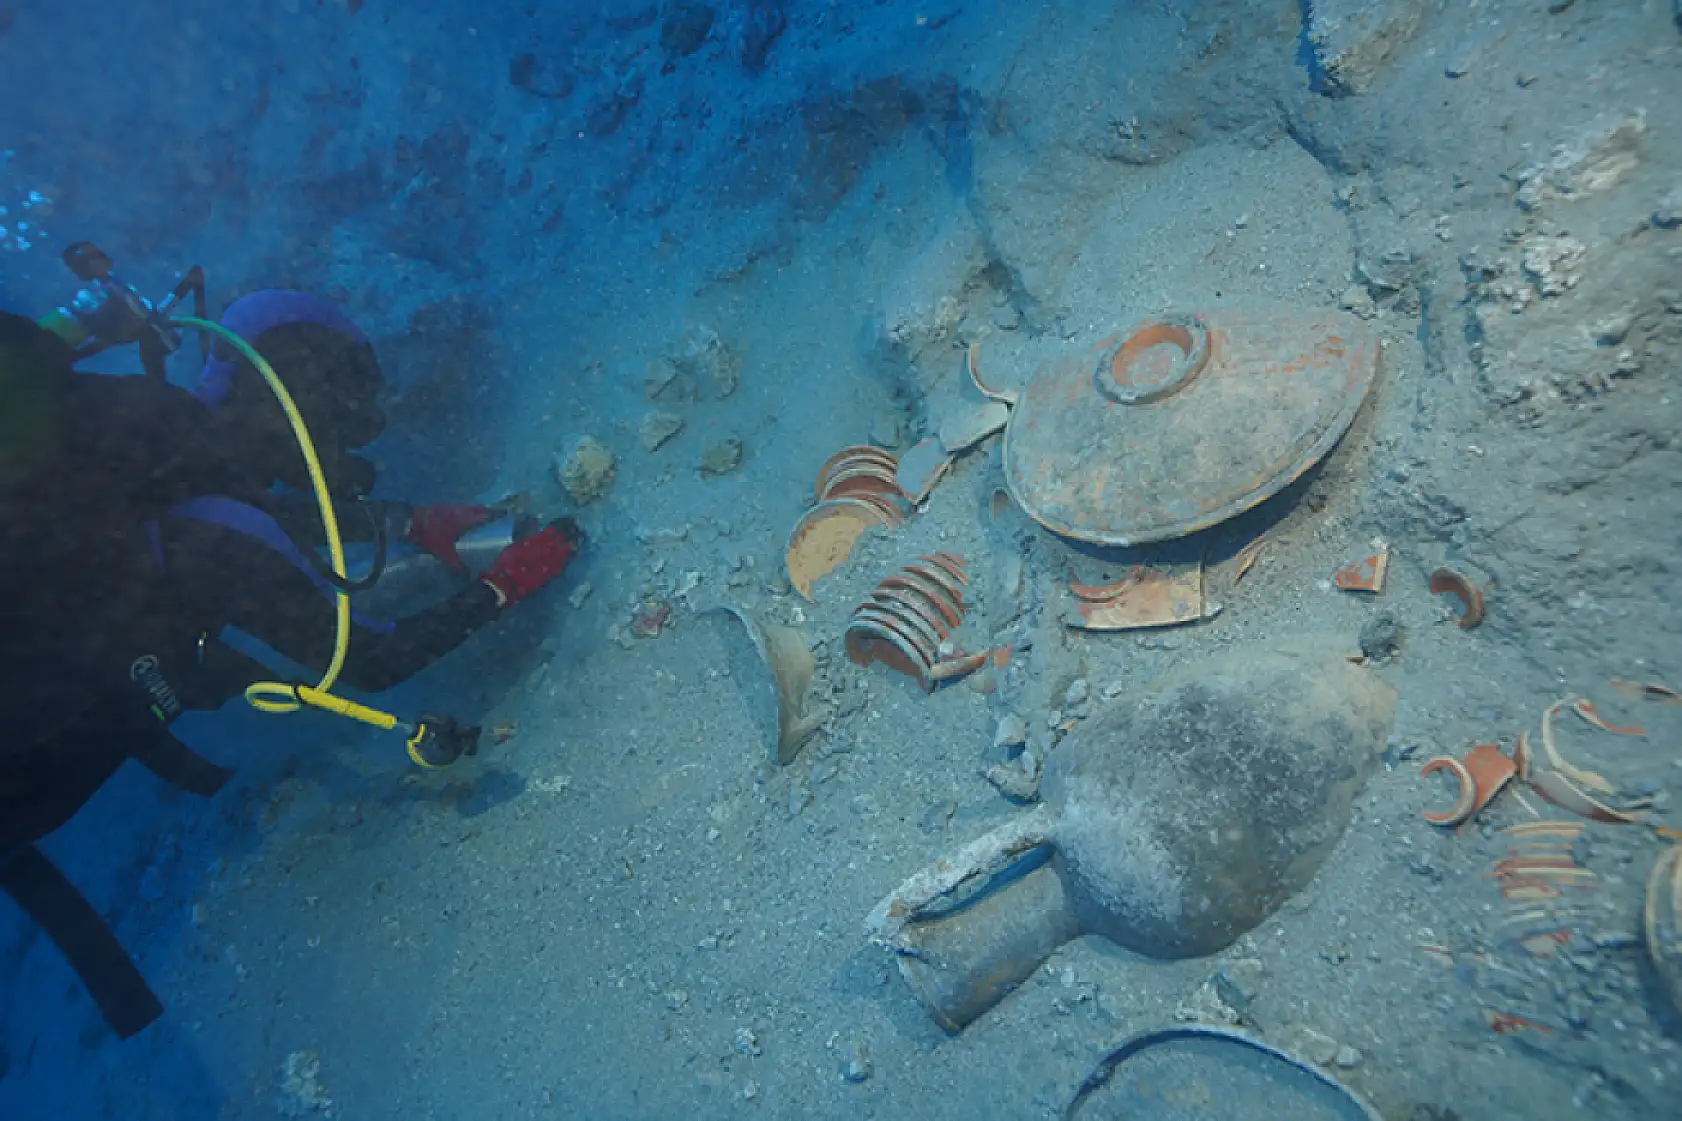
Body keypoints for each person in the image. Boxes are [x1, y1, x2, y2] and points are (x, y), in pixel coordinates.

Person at [0, 293, 580, 1039]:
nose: (353, 449)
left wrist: (410, 521)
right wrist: (507, 582)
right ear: (304, 412)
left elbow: (226, 501)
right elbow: (374, 657)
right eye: (347, 420)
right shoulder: (205, 518)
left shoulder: (115, 432)